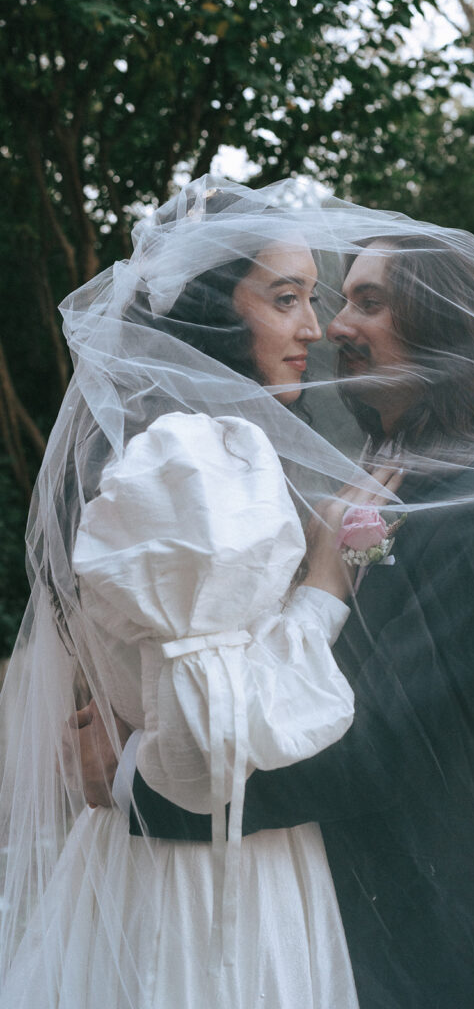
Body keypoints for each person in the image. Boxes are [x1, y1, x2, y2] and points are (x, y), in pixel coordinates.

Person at [1, 177, 474, 1009]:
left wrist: (136, 772)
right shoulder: (327, 467)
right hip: (274, 904)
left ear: (444, 326)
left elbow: (384, 747)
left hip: (412, 926)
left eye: (367, 301)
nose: (336, 324)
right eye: (311, 298)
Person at [0, 178, 391, 1008]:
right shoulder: (196, 466)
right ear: (213, 312)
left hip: (143, 860)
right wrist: (321, 589)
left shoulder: (154, 454)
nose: (313, 329)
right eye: (286, 299)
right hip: (210, 891)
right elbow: (210, 754)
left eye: (312, 299)